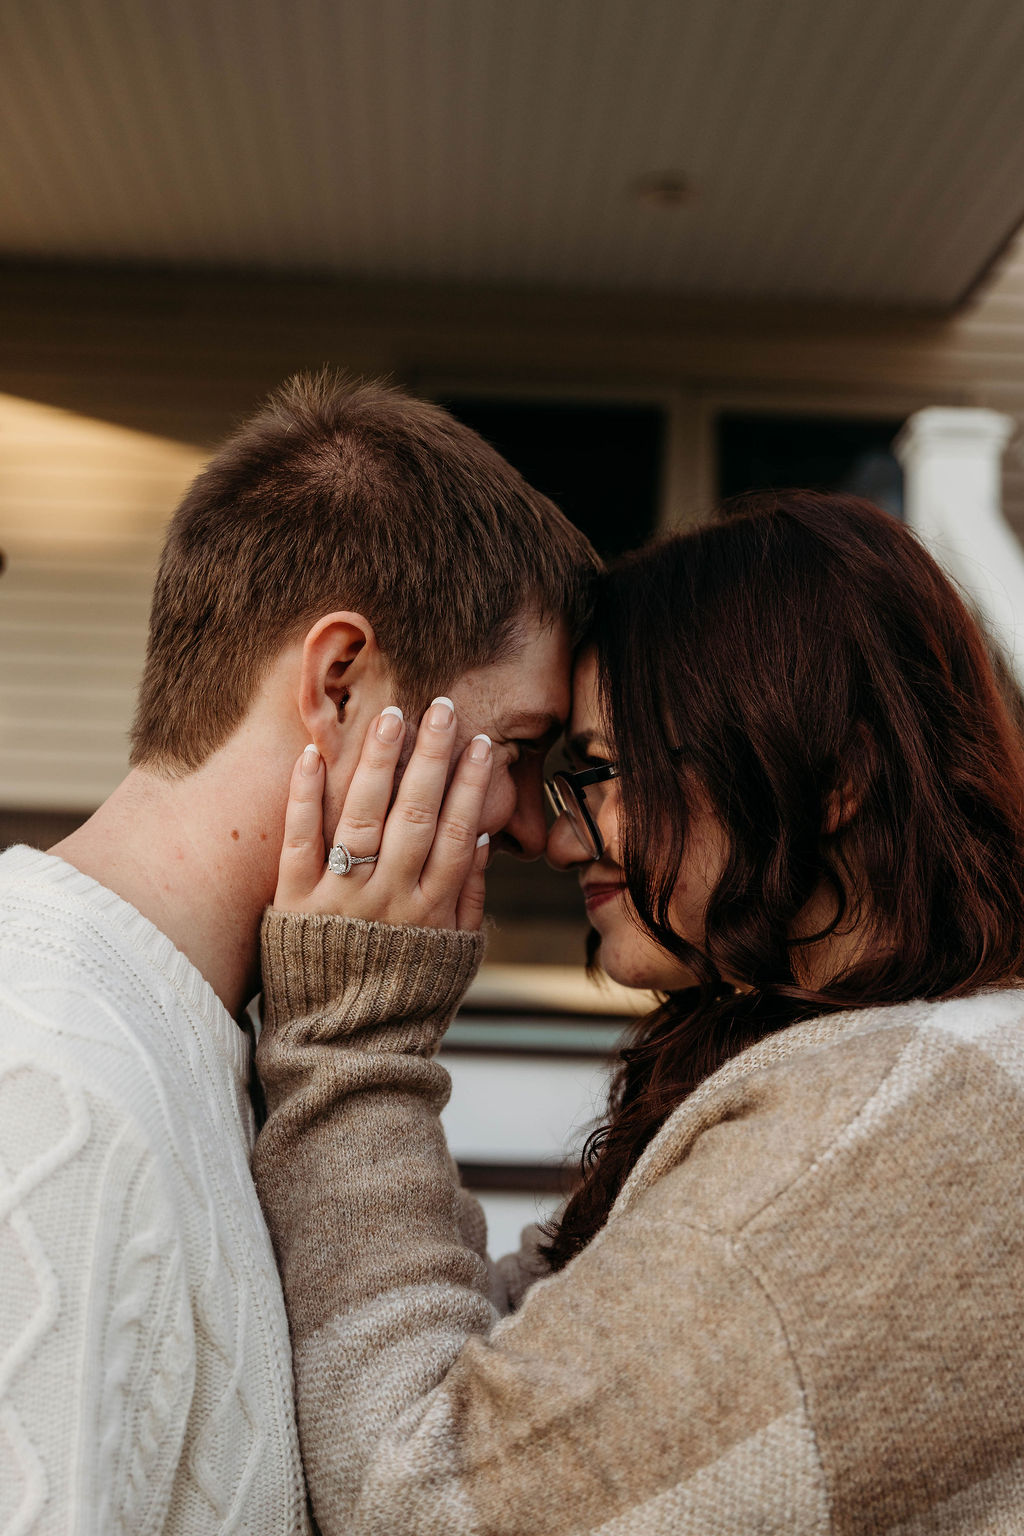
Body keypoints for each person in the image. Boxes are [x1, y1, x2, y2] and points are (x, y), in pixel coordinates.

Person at [251, 490, 1024, 1535]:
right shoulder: (893, 1069)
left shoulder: (881, 1145)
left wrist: (353, 1037)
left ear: (836, 772)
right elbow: (531, 1363)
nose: (560, 838)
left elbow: (419, 1496)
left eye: (603, 773)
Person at [0, 371, 598, 1533]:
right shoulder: (47, 1081)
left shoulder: (198, 1039)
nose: (536, 825)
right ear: (340, 683)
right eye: (519, 748)